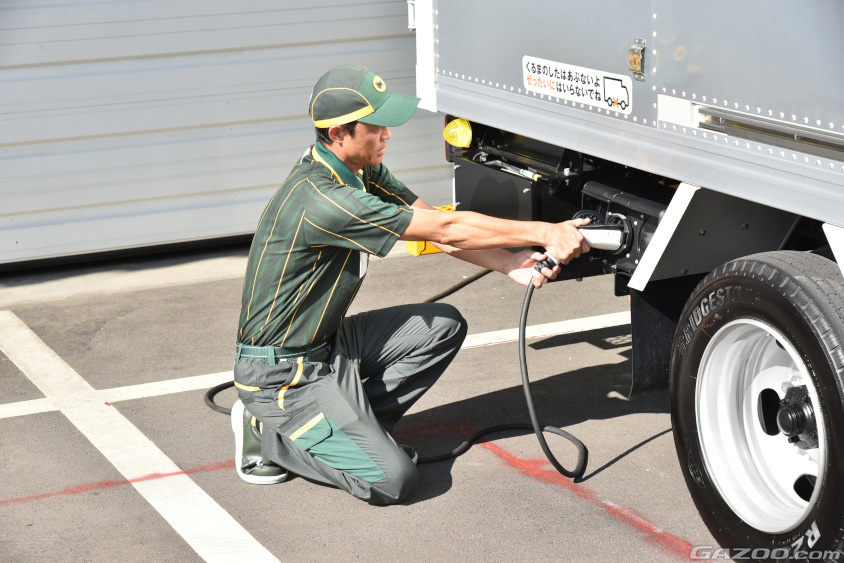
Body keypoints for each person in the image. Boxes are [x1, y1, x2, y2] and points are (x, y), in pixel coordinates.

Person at [230, 64, 589, 505]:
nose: (387, 135)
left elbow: (435, 227)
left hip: (329, 345)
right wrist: (544, 232)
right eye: (375, 126)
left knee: (442, 326)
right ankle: (273, 434)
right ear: (339, 133)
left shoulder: (360, 170)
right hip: (281, 371)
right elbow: (448, 228)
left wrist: (509, 263)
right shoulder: (325, 199)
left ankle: (343, 427)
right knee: (393, 480)